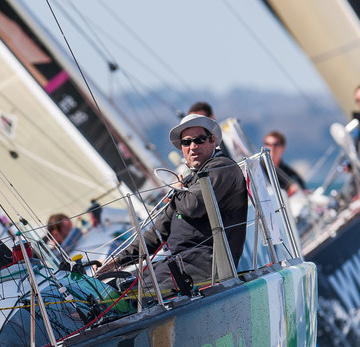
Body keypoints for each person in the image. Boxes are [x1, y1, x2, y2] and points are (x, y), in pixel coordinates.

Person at [102, 114, 247, 289]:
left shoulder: (222, 167)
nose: (193, 146)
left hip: (204, 264)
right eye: (186, 142)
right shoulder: (188, 182)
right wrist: (117, 261)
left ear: (212, 140)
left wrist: (177, 191)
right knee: (113, 287)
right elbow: (158, 231)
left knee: (130, 296)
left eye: (199, 140)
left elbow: (193, 206)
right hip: (178, 262)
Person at [263, 131, 307, 196]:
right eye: (267, 144)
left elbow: (304, 192)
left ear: (283, 147)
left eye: (275, 144)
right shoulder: (256, 169)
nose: (271, 148)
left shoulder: (292, 174)